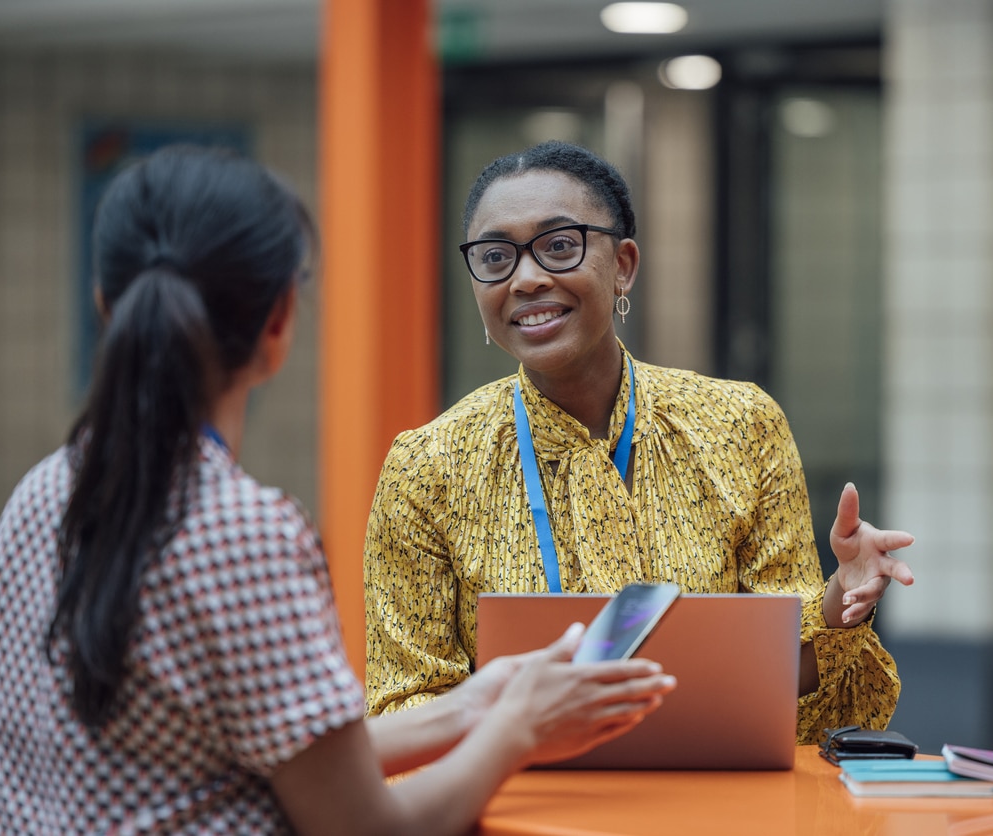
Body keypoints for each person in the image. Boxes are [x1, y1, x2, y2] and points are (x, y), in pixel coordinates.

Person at [0, 145, 675, 835]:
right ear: (279, 322)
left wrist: (481, 704)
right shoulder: (244, 532)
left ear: (105, 305)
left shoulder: (38, 496)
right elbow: (367, 826)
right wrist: (520, 729)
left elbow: (280, 754)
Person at [364, 140, 915, 745]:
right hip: (524, 808)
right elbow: (404, 704)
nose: (526, 278)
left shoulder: (740, 425)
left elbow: (792, 693)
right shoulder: (428, 466)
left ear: (623, 264)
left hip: (713, 808)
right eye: (496, 257)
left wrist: (840, 603)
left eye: (558, 246)